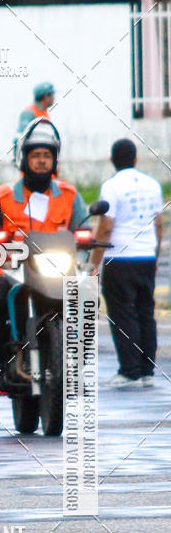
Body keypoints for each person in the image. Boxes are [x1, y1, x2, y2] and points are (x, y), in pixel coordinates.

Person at [0, 117, 88, 392]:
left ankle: (73, 363)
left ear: (55, 160)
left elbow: (83, 227)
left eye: (47, 156)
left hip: (57, 269)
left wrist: (86, 236)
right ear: (24, 159)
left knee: (84, 298)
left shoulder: (70, 195)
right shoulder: (3, 195)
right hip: (13, 270)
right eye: (36, 155)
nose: (42, 161)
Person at [90, 138, 163, 388]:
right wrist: (155, 255)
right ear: (135, 158)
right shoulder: (153, 185)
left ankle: (129, 370)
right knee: (146, 312)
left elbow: (106, 227)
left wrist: (94, 263)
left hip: (119, 257)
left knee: (123, 314)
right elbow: (159, 224)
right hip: (146, 256)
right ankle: (147, 370)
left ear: (112, 160)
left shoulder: (111, 187)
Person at [13, 81, 55, 158]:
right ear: (45, 96)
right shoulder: (29, 113)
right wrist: (18, 159)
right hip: (33, 163)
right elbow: (19, 137)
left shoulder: (44, 113)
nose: (53, 97)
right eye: (52, 94)